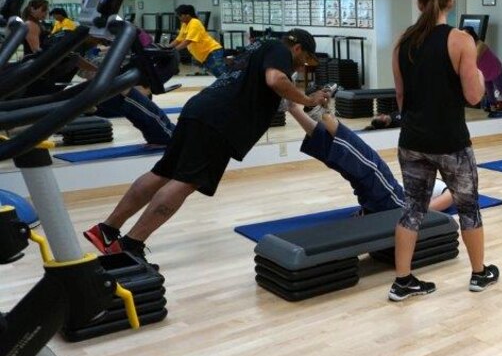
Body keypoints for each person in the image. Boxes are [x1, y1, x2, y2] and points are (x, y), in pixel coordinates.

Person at [83, 29, 328, 264]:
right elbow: (275, 79)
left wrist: (294, 102)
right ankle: (131, 244)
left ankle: (106, 229)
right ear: (297, 47)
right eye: (303, 60)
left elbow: (260, 88)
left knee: (163, 173)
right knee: (186, 180)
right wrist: (308, 99)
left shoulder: (258, 47)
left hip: (200, 109)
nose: (300, 66)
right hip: (219, 122)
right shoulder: (279, 50)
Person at [391, 0, 498, 301]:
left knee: (411, 209)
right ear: (450, 3)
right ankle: (479, 275)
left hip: (412, 140)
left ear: (419, 3)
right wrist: (479, 74)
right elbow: (474, 96)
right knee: (469, 208)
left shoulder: (403, 42)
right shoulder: (460, 40)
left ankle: (403, 281)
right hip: (451, 142)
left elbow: (400, 97)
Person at [285, 103, 453, 214]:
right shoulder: (431, 179)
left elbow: (443, 202)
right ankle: (293, 107)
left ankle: (323, 114)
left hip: (397, 201)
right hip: (382, 199)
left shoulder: (448, 186)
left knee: (367, 158)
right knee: (341, 160)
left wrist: (410, 215)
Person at [169, 4, 227, 78]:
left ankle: (234, 88)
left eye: (180, 16)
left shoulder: (195, 23)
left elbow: (188, 41)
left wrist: (174, 50)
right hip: (205, 55)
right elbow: (178, 39)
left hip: (212, 52)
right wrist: (167, 48)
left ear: (187, 15)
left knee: (222, 74)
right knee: (218, 75)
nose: (179, 18)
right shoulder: (185, 24)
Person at [464, 26, 502, 111]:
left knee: (501, 88)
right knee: (489, 91)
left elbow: (475, 59)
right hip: (485, 72)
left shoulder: (480, 45)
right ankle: (492, 108)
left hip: (495, 69)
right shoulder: (470, 46)